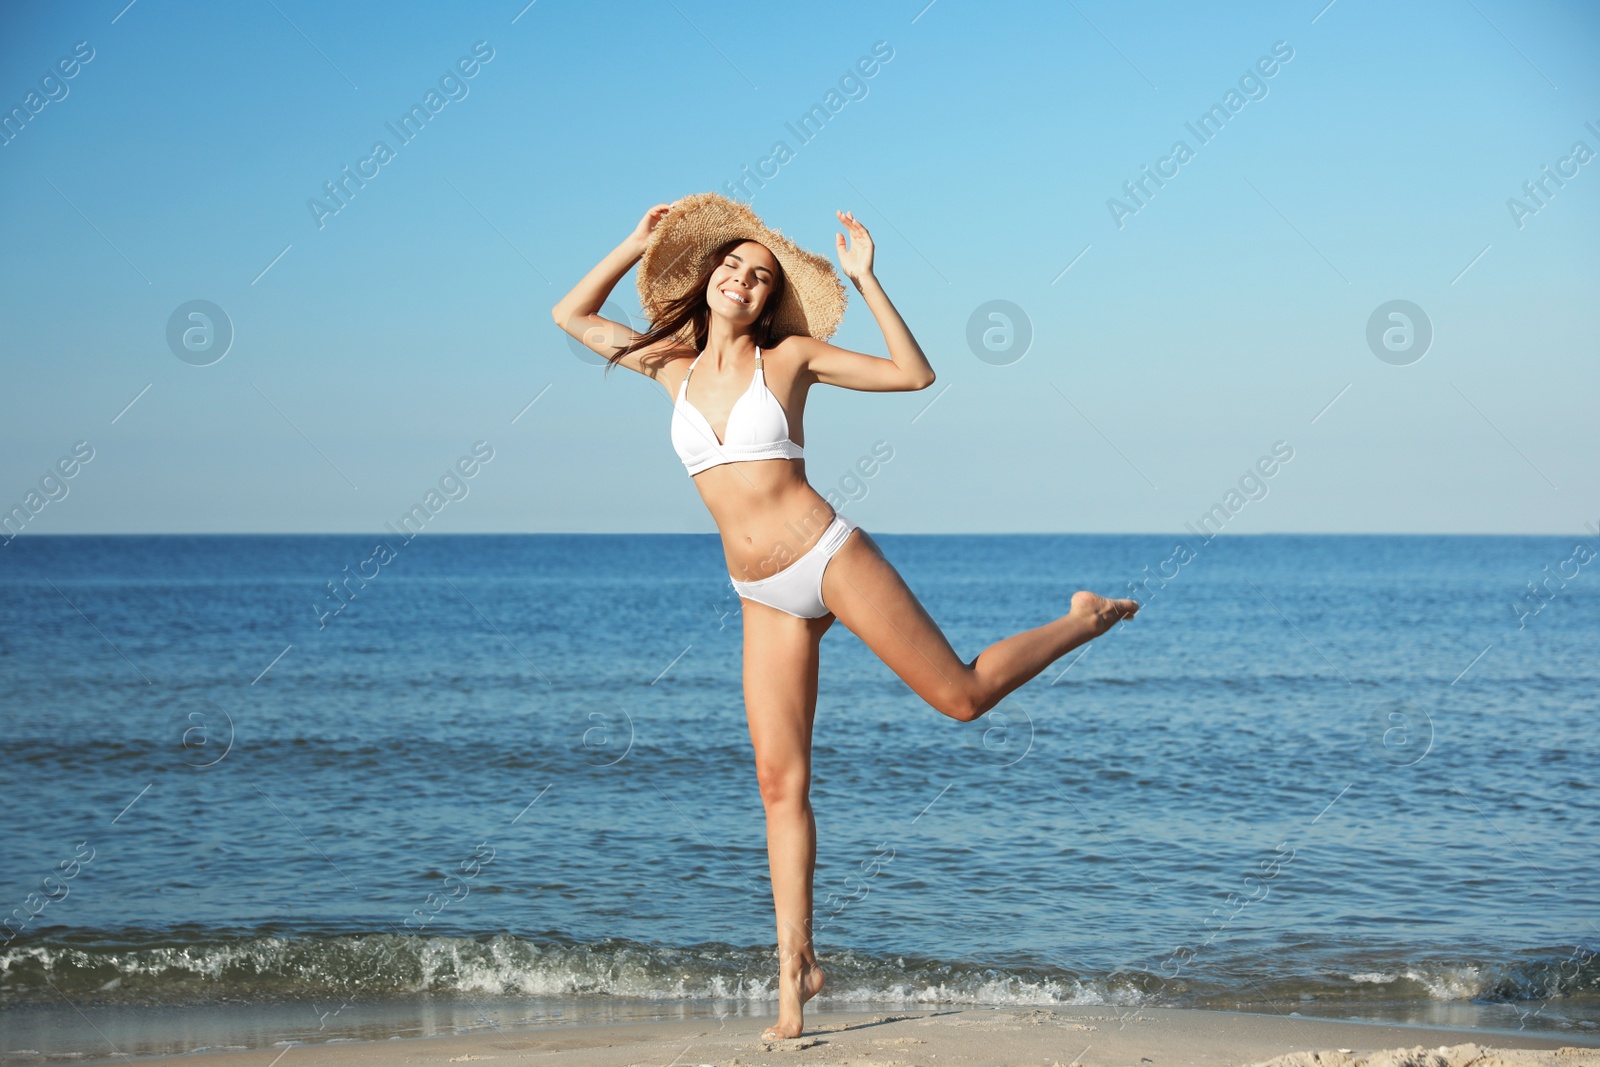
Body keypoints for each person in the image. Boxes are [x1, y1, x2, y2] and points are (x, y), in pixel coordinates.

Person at [552, 193, 1138, 1040]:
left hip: (826, 557)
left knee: (962, 696)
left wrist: (866, 280)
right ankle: (795, 973)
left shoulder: (786, 358)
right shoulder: (667, 364)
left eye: (759, 276)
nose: (743, 282)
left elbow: (913, 374)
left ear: (769, 297)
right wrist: (634, 242)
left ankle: (1081, 619)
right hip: (759, 596)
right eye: (731, 265)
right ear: (707, 274)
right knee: (778, 783)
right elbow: (569, 314)